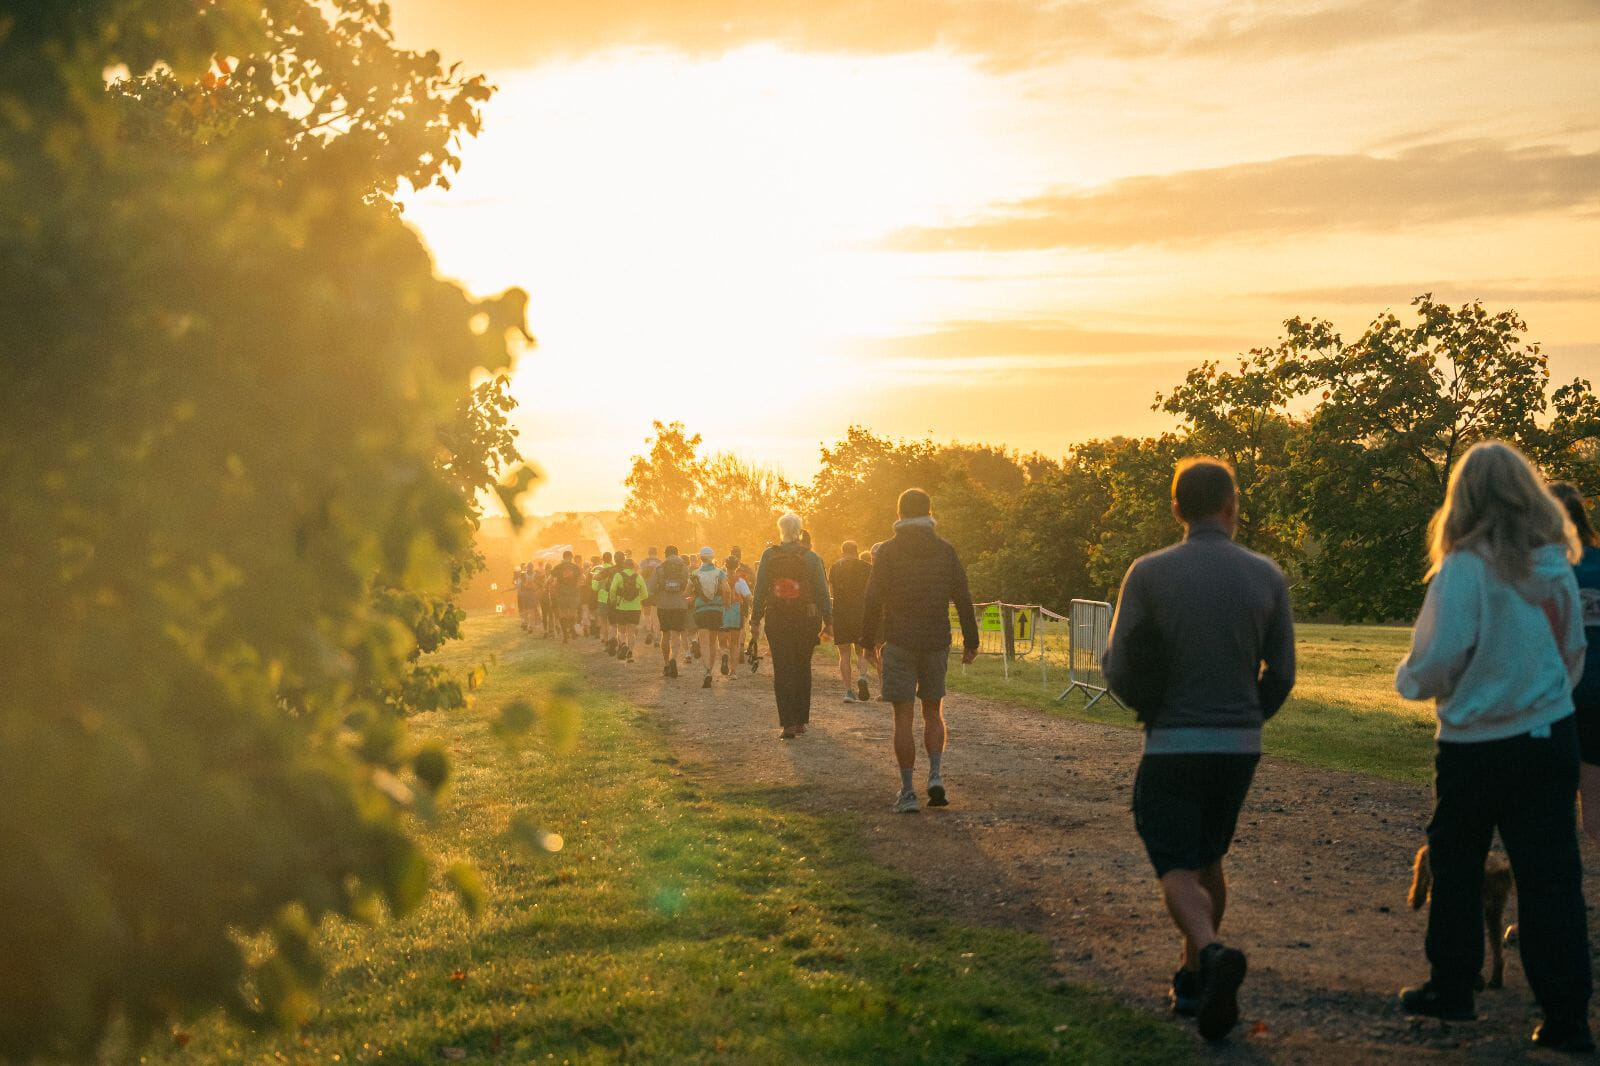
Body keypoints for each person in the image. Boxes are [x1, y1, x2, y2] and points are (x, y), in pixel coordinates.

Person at [1393, 442, 1590, 1052]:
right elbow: (1573, 653)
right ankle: (1566, 1016)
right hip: (1549, 736)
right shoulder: (1555, 566)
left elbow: (1437, 658)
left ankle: (1453, 987)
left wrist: (1411, 683)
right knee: (1551, 875)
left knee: (1456, 864)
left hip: (1476, 744)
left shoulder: (1464, 568)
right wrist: (1543, 698)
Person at [1101, 458, 1294, 1041]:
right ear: (1232, 506)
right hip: (1239, 746)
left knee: (1176, 864)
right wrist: (1248, 717)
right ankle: (1192, 981)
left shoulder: (1148, 573)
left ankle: (1210, 951)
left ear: (1176, 509)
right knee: (1209, 854)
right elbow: (1282, 672)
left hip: (1174, 742)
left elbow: (1117, 664)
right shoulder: (1267, 575)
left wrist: (1151, 709)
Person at [861, 490, 978, 809]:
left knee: (903, 716)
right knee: (933, 711)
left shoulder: (888, 551)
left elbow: (872, 598)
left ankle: (908, 791)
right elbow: (963, 596)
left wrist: (867, 641)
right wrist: (971, 640)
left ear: (899, 514)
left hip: (899, 640)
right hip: (936, 640)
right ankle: (936, 776)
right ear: (929, 513)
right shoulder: (945, 550)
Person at [750, 514, 832, 739]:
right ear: (799, 530)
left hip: (777, 618)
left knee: (782, 668)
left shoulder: (769, 555)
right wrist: (829, 620)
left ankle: (787, 724)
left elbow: (760, 589)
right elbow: (822, 591)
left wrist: (755, 619)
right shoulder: (811, 557)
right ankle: (800, 721)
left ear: (781, 530)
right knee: (802, 666)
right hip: (806, 619)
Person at [1551, 482, 1600, 842]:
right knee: (1595, 810)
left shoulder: (1545, 570)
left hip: (1559, 691)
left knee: (1553, 799)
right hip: (1598, 690)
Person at [829, 540, 874, 702]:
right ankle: (862, 676)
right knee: (861, 650)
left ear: (843, 552)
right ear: (856, 551)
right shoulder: (867, 567)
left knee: (844, 654)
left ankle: (848, 691)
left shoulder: (835, 567)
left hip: (841, 613)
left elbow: (831, 593)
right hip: (861, 613)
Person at [650, 546, 691, 678]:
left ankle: (667, 664)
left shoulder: (659, 567)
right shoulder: (684, 567)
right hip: (680, 605)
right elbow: (690, 585)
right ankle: (674, 658)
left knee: (665, 634)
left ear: (665, 554)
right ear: (677, 554)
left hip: (664, 605)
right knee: (676, 634)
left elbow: (651, 587)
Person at [691, 547, 728, 690]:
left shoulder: (695, 573)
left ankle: (707, 670)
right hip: (716, 610)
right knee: (713, 642)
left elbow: (687, 591)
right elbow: (726, 590)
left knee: (704, 643)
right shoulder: (720, 572)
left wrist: (691, 596)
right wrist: (726, 604)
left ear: (700, 558)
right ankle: (711, 670)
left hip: (701, 610)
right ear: (713, 557)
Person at [607, 554, 646, 662]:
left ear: (624, 566)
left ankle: (623, 644)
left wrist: (613, 600)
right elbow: (645, 594)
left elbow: (613, 589)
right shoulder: (638, 577)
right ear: (633, 566)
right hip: (635, 608)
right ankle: (630, 654)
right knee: (631, 632)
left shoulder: (618, 576)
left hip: (621, 607)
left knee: (621, 630)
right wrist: (638, 600)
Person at [719, 562, 751, 679]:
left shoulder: (721, 580)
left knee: (722, 641)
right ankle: (733, 671)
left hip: (723, 612)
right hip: (736, 613)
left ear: (725, 567)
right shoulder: (740, 581)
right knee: (735, 643)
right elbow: (748, 596)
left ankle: (724, 655)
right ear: (736, 567)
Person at [551, 550, 583, 642]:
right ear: (570, 557)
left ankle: (565, 635)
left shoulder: (558, 567)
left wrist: (549, 586)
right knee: (572, 613)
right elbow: (582, 579)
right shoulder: (575, 567)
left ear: (563, 557)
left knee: (563, 614)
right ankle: (572, 630)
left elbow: (550, 579)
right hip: (573, 594)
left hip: (561, 594)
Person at [639, 547, 662, 647]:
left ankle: (649, 630)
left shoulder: (643, 562)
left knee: (646, 613)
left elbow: (640, 575)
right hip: (656, 591)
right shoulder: (660, 563)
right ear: (656, 553)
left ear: (648, 553)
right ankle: (657, 637)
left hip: (645, 591)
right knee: (655, 616)